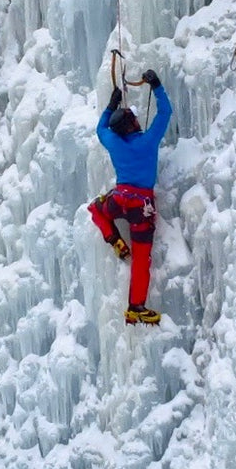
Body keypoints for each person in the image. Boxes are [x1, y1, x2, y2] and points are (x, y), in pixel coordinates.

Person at [87, 69, 172, 325]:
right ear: (132, 124)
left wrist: (111, 104)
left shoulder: (114, 142)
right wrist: (156, 86)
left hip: (120, 199)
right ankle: (136, 306)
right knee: (141, 258)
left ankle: (114, 239)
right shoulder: (148, 141)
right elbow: (165, 113)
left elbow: (101, 128)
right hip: (142, 206)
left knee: (95, 208)